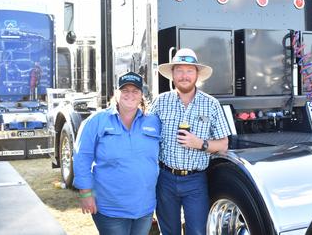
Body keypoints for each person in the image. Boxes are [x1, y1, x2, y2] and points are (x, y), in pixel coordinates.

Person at [148, 48, 231, 235]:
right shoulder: (160, 102)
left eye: (189, 70)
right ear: (172, 74)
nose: (184, 76)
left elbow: (223, 144)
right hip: (165, 178)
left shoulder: (211, 104)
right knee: (169, 232)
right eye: (179, 70)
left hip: (195, 181)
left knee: (198, 232)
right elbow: (146, 139)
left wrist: (199, 143)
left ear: (197, 74)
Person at [73, 72, 161, 235]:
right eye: (125, 90)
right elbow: (82, 157)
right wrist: (86, 193)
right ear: (116, 93)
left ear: (142, 95)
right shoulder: (97, 121)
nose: (130, 95)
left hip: (144, 208)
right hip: (110, 208)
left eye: (135, 91)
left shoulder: (154, 122)